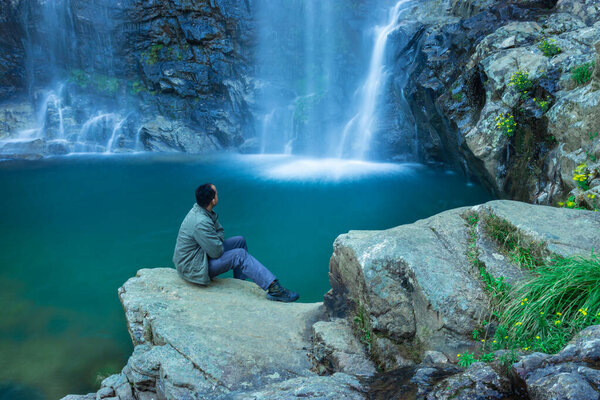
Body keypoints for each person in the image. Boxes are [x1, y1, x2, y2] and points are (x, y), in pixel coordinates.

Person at [173, 183, 299, 302]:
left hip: (200, 256)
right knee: (239, 254)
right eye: (216, 193)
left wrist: (215, 239)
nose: (218, 195)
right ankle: (275, 289)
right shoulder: (200, 222)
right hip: (193, 268)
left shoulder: (203, 211)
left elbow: (220, 232)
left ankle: (240, 282)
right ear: (212, 200)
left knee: (240, 241)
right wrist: (216, 239)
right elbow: (216, 252)